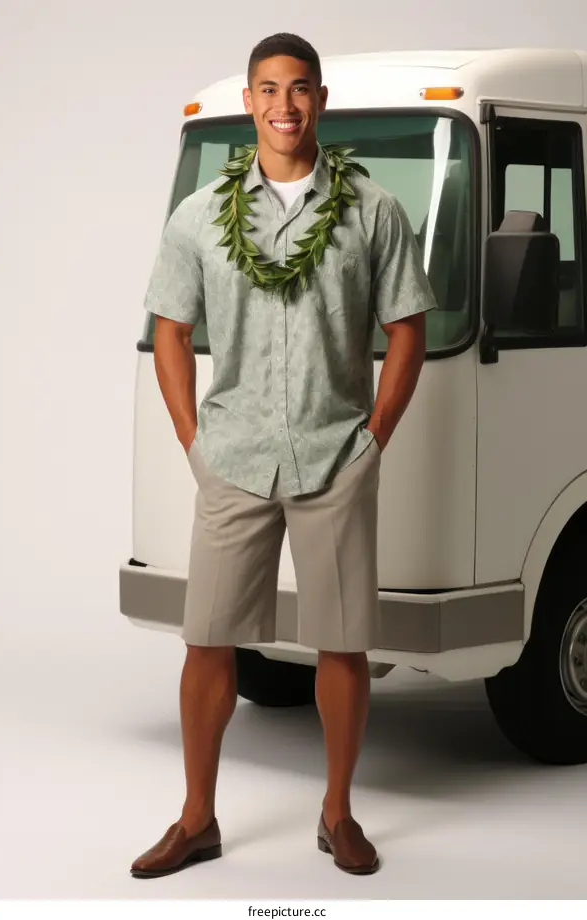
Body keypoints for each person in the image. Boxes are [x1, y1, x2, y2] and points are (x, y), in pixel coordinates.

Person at [130, 32, 437, 880]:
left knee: (342, 645)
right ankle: (197, 818)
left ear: (321, 101)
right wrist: (195, 442)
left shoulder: (373, 211)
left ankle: (337, 813)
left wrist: (373, 438)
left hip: (336, 454)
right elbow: (171, 329)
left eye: (299, 89)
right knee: (207, 643)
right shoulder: (200, 218)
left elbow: (406, 328)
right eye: (268, 90)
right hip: (234, 456)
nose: (283, 106)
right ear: (251, 103)